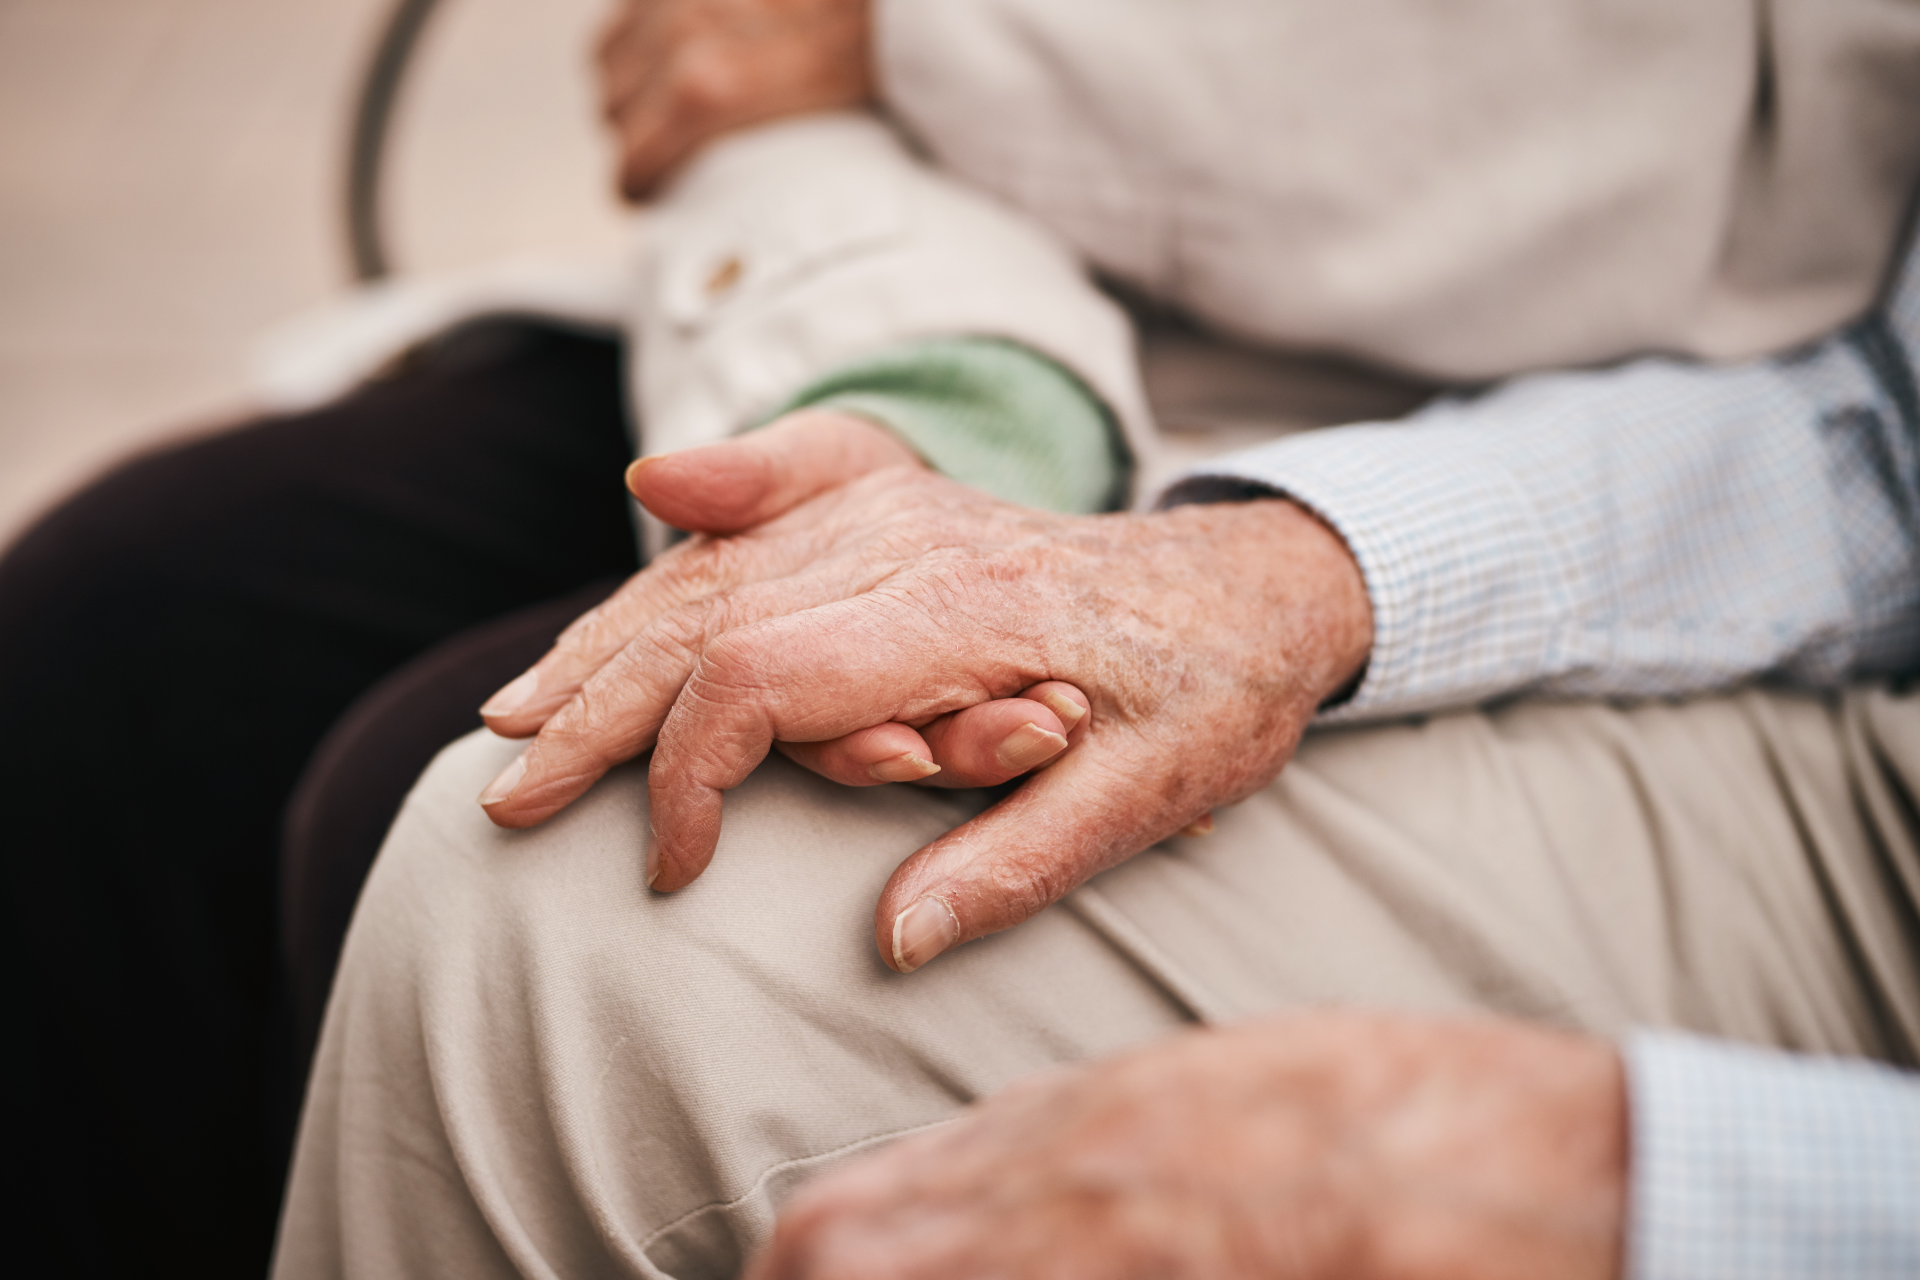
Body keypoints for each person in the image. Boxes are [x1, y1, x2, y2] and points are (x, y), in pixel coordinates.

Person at [268, 1, 1920, 1277]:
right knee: (147, 640)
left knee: (540, 897)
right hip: (1011, 319)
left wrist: (1666, 1179)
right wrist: (1255, 551)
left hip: (1452, 420)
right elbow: (1884, 436)